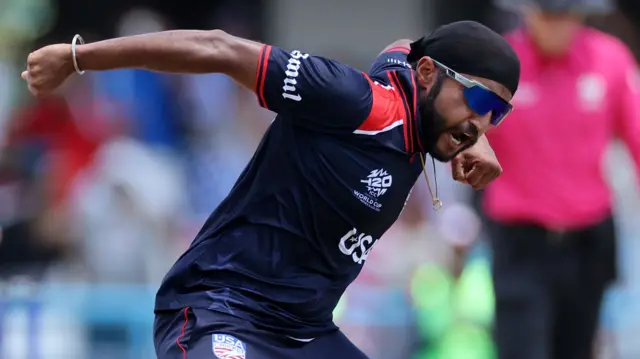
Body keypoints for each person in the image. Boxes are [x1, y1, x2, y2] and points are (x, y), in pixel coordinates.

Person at [22, 21, 520, 359]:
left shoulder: (426, 113)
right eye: (476, 100)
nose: (480, 123)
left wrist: (474, 133)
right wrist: (78, 58)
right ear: (428, 76)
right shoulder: (356, 101)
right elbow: (217, 48)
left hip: (305, 335)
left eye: (495, 114)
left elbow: (406, 47)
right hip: (219, 310)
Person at [483, 1, 640, 359]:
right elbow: (462, 133)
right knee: (523, 348)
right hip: (521, 239)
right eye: (547, 15)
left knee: (577, 348)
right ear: (528, 13)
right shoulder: (499, 64)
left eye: (565, 16)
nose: (556, 27)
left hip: (588, 238)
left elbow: (636, 133)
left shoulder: (609, 59)